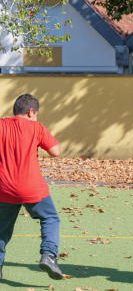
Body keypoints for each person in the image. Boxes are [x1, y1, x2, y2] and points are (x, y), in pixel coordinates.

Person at [0, 94, 63, 280]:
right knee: (51, 218)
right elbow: (55, 151)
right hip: (32, 188)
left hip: (4, 189)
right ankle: (49, 255)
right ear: (31, 112)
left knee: (1, 229)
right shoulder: (36, 127)